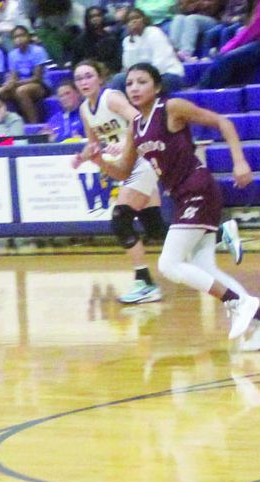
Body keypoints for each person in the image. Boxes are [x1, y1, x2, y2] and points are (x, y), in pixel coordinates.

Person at [93, 63, 260, 350]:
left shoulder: (172, 108)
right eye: (129, 83)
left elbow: (224, 123)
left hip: (198, 188)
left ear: (156, 87)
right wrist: (97, 160)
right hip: (181, 195)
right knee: (204, 267)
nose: (133, 88)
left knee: (169, 264)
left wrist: (239, 161)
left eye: (141, 82)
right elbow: (122, 171)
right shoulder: (136, 126)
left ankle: (239, 302)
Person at [73, 60, 170, 304]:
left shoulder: (111, 98)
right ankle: (221, 234)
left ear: (99, 78)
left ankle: (145, 283)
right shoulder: (85, 109)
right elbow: (94, 143)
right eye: (79, 78)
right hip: (130, 163)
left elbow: (140, 120)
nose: (84, 82)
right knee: (155, 227)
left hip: (143, 158)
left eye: (88, 76)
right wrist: (84, 155)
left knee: (121, 219)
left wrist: (125, 142)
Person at [196, 0, 260, 88]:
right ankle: (203, 88)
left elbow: (252, 30)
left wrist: (228, 47)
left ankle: (203, 89)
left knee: (227, 58)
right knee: (226, 57)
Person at [112, 8, 185, 92]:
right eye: (130, 20)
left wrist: (144, 78)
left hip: (166, 74)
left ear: (144, 19)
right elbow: (129, 66)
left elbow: (161, 62)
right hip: (140, 78)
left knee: (159, 83)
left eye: (137, 18)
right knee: (118, 79)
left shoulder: (154, 32)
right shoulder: (127, 41)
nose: (134, 21)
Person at [0, 26, 51, 123]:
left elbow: (37, 78)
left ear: (28, 37)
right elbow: (14, 76)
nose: (19, 39)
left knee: (21, 91)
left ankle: (33, 125)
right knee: (0, 93)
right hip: (20, 84)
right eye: (15, 37)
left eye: (22, 36)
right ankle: (9, 125)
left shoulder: (38, 51)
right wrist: (9, 84)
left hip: (42, 85)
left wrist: (16, 83)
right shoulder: (12, 55)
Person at [68, 6, 124, 72]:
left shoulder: (112, 38)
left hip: (108, 74)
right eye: (92, 17)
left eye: (98, 16)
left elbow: (117, 62)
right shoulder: (79, 41)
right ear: (87, 19)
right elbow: (74, 64)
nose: (95, 19)